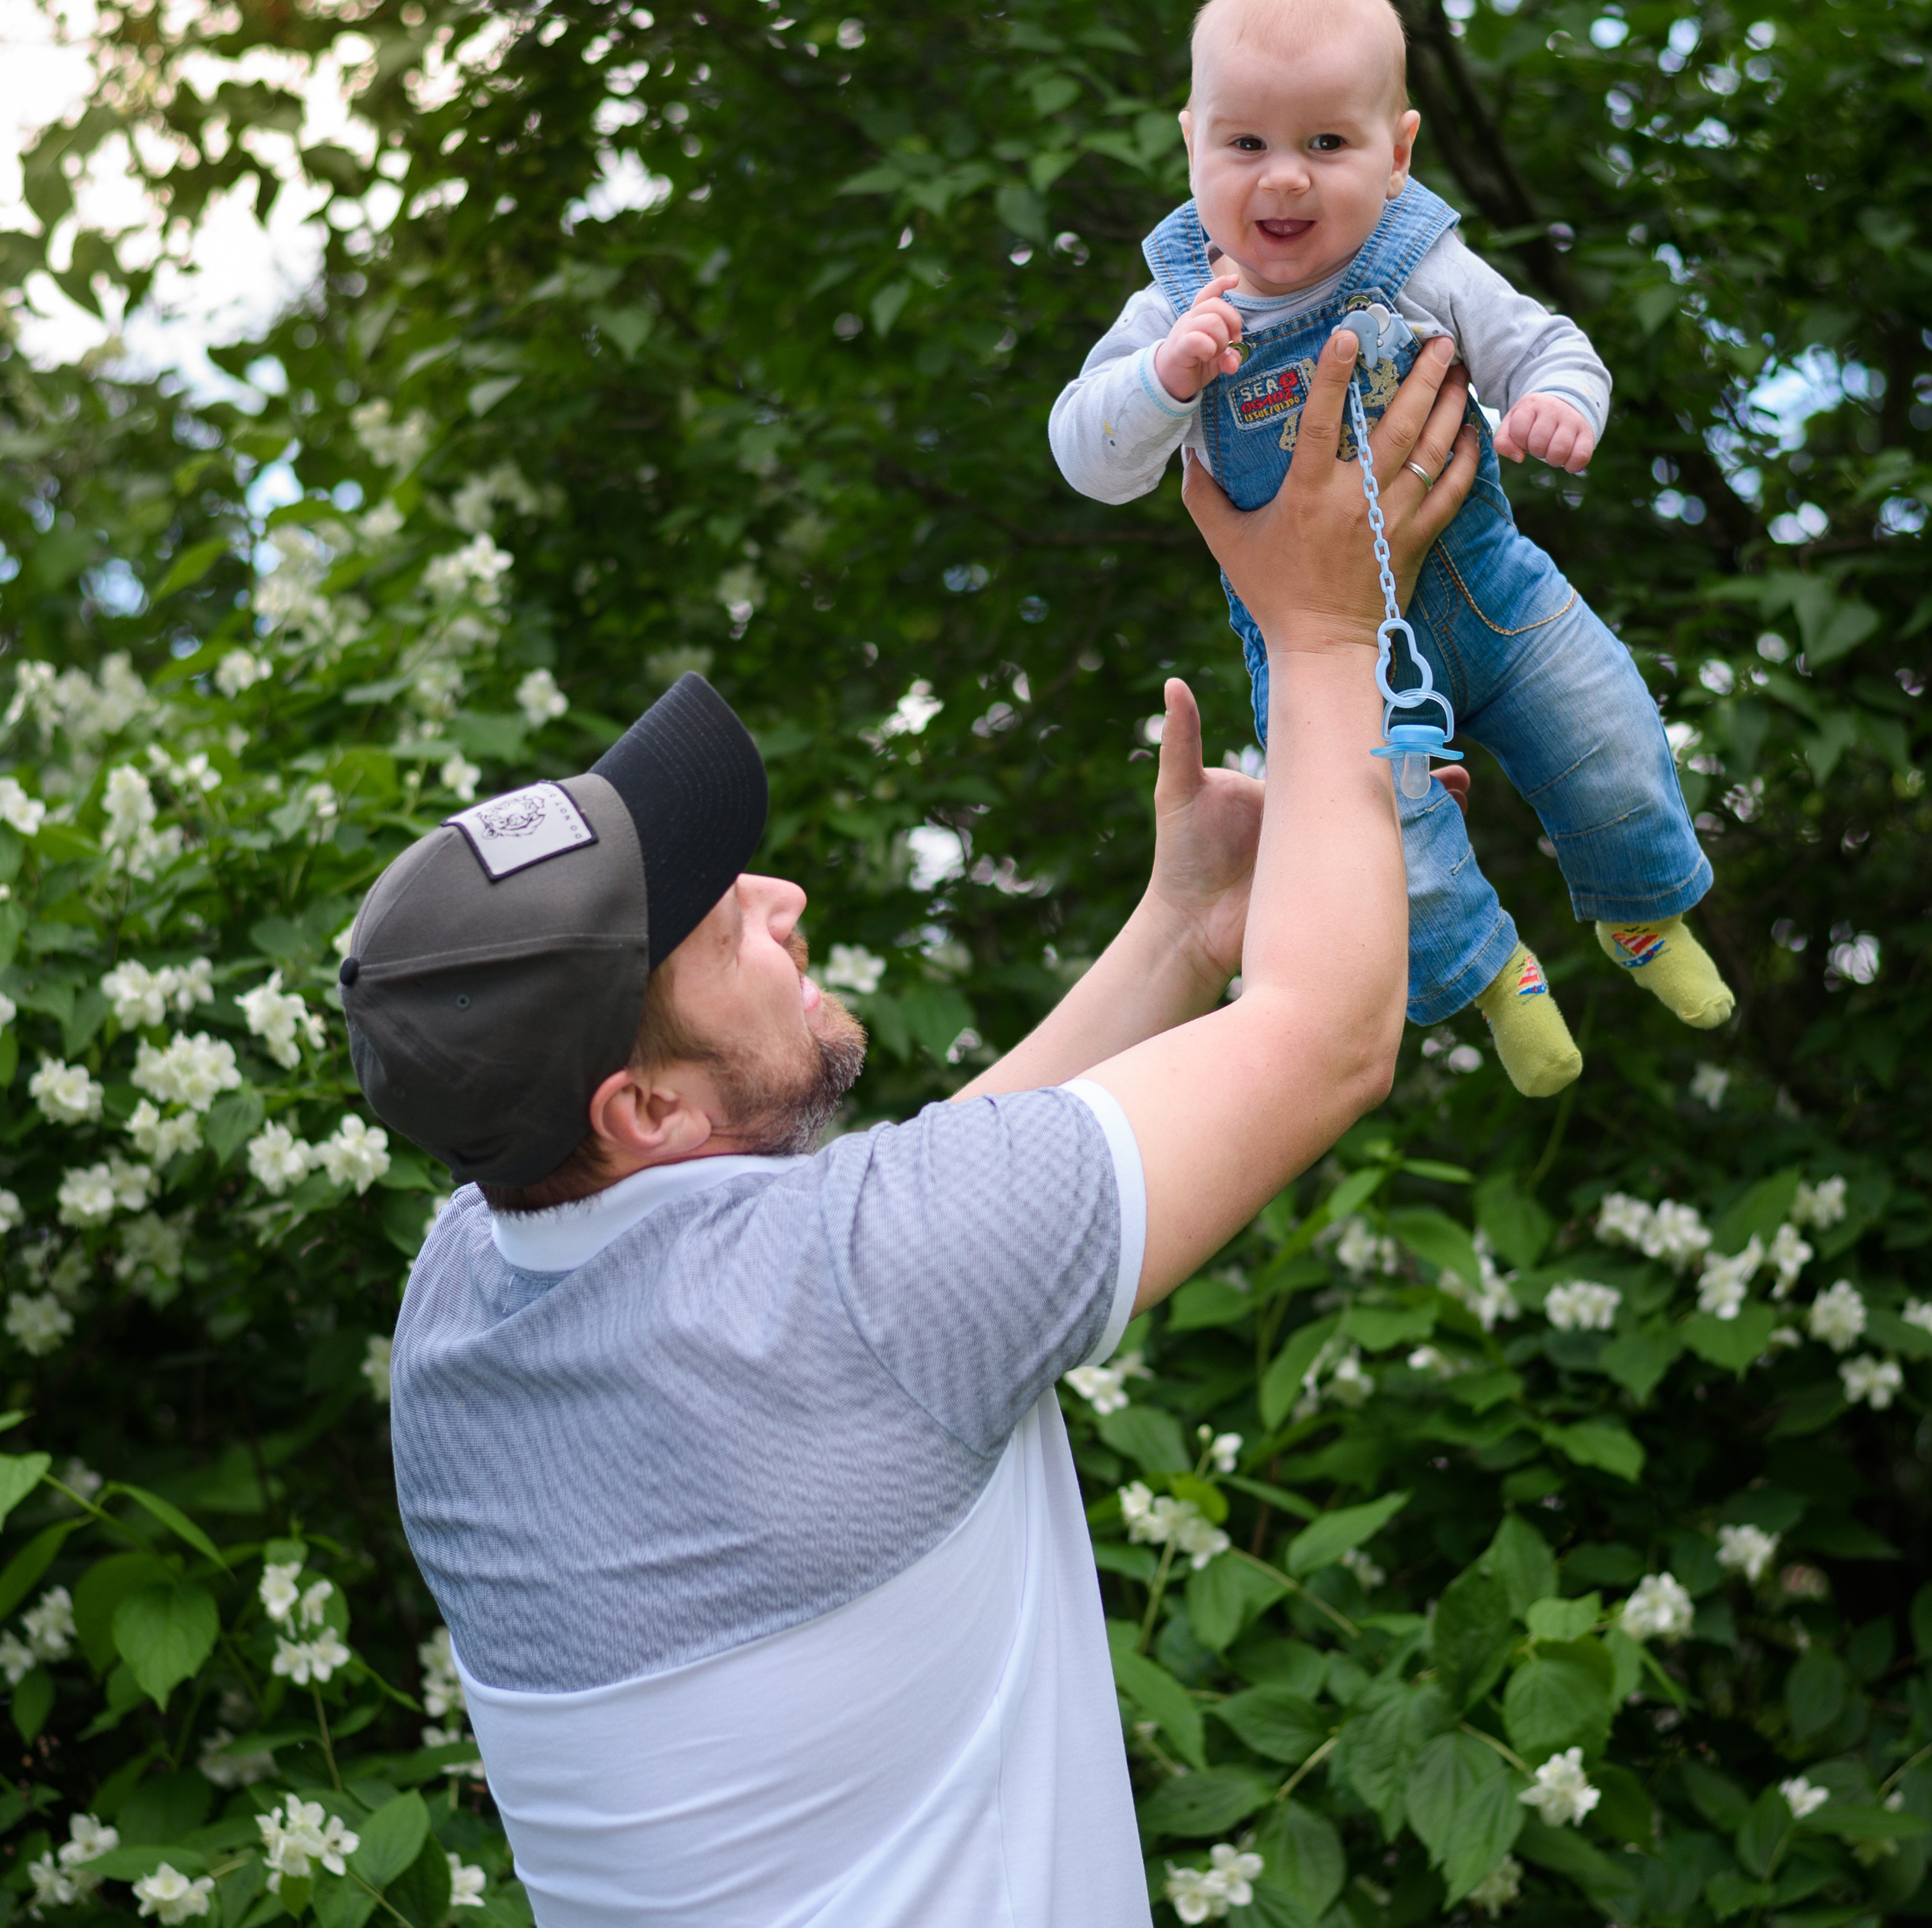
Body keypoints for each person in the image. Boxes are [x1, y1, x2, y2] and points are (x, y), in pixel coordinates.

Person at [345, 328, 1474, 1927]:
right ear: (644, 1105)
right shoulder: (880, 1286)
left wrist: (1177, 929)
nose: (780, 896)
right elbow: (1330, 1036)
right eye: (719, 927)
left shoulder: (462, 1305)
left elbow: (911, 1232)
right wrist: (1318, 627)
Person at [1047, 0, 1732, 1100]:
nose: (1282, 175)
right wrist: (1165, 384)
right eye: (1245, 142)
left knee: (1608, 733)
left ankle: (1643, 912)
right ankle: (1495, 975)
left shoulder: (1418, 263)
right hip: (1328, 655)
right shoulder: (1172, 310)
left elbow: (1545, 346)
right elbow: (1086, 453)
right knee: (1386, 850)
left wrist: (1558, 404)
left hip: (1489, 585)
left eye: (1326, 141)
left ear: (1398, 150)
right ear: (1190, 144)